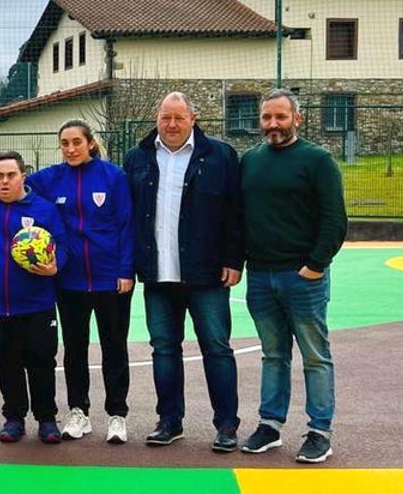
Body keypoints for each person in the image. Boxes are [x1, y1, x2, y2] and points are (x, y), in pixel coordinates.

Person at [0, 119, 134, 444]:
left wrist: (125, 270)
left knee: (114, 348)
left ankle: (117, 415)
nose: (71, 149)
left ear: (90, 143)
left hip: (109, 279)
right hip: (69, 281)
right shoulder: (51, 178)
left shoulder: (113, 176)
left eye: (77, 142)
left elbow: (126, 224)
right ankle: (79, 412)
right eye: (65, 143)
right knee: (74, 349)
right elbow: (9, 183)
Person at [123, 92, 244, 452]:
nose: (172, 124)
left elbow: (235, 213)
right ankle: (170, 421)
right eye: (165, 118)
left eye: (179, 117)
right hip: (158, 275)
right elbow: (128, 216)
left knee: (217, 349)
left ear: (193, 118)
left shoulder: (220, 155)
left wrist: (233, 260)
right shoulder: (138, 157)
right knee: (164, 350)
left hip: (206, 274)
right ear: (157, 119)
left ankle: (226, 425)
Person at [240, 88, 347, 464]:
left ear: (296, 119)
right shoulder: (250, 160)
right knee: (273, 355)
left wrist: (315, 265)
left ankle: (319, 431)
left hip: (304, 278)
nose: (273, 124)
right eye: (267, 117)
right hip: (261, 277)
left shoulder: (317, 160)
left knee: (315, 356)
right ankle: (270, 425)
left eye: (280, 117)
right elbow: (240, 217)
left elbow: (335, 220)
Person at [0, 151, 68, 444]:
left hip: (38, 305)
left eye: (11, 175)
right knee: (7, 365)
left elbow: (63, 245)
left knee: (42, 363)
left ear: (23, 177)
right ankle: (13, 418)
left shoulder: (43, 210)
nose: (5, 181)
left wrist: (57, 265)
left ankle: (47, 419)